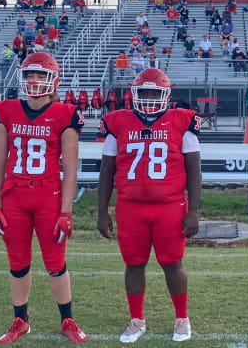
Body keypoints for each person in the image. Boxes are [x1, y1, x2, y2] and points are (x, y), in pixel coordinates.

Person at [0, 53, 88, 344]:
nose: (34, 81)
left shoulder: (65, 113)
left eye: (40, 75)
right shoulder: (6, 110)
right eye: (30, 75)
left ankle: (67, 319)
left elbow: (70, 169)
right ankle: (21, 320)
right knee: (18, 262)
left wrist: (66, 211)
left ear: (53, 79)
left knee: (56, 262)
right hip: (15, 195)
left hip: (49, 196)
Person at [97, 68, 201, 343]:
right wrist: (101, 211)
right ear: (134, 93)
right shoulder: (117, 122)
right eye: (145, 92)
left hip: (170, 206)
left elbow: (194, 171)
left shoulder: (182, 122)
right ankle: (136, 320)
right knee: (134, 264)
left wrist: (193, 211)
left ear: (166, 94)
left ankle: (182, 319)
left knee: (172, 263)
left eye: (155, 92)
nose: (150, 97)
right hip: (130, 207)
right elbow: (106, 172)